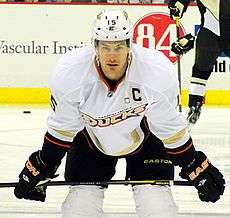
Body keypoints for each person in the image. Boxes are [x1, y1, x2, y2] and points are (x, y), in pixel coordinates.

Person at [14, 9, 225, 218]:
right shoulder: (70, 72)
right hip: (90, 139)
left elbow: (170, 130)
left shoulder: (156, 72)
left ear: (129, 46)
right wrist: (43, 165)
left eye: (118, 46)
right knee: (79, 210)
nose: (112, 55)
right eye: (105, 47)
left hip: (148, 138)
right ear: (95, 46)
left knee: (158, 209)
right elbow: (62, 130)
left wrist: (195, 165)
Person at [168, 0, 230, 126]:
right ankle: (194, 106)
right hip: (210, 31)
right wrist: (177, 6)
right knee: (200, 70)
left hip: (210, 31)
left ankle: (194, 106)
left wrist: (192, 40)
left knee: (200, 70)